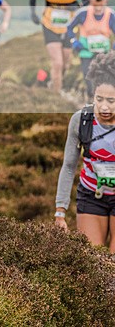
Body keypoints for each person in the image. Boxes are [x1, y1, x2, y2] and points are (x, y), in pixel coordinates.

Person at [55, 51, 115, 252]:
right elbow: (68, 166)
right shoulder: (81, 121)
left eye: (111, 101)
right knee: (92, 258)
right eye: (99, 99)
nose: (104, 107)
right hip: (91, 195)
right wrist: (60, 210)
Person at [30, 0, 90, 93]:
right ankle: (56, 94)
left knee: (65, 64)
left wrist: (78, 6)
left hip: (68, 29)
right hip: (50, 27)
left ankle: (54, 82)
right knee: (57, 62)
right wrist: (33, 12)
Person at [66, 0, 115, 99]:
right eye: (95, 5)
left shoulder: (111, 15)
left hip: (104, 54)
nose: (98, 8)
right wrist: (74, 42)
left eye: (100, 5)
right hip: (86, 51)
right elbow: (69, 28)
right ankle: (90, 99)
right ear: (91, 2)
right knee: (88, 78)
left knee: (105, 79)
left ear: (105, 2)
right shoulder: (82, 13)